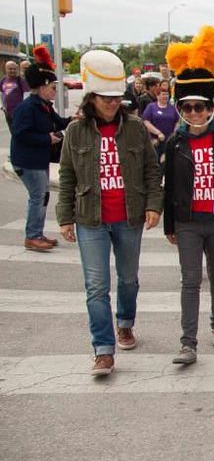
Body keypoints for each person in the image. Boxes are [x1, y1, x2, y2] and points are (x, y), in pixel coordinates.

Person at [57, 50, 163, 377]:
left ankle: (125, 323)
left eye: (117, 98)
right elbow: (66, 175)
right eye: (106, 98)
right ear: (91, 97)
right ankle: (103, 349)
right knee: (96, 285)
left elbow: (150, 169)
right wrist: (64, 216)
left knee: (128, 279)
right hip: (91, 218)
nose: (113, 103)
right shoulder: (75, 132)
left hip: (129, 217)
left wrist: (153, 205)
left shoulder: (133, 128)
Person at [162, 26, 214, 365]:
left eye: (201, 106)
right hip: (188, 221)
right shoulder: (175, 141)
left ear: (211, 106)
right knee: (190, 280)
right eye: (188, 106)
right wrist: (170, 225)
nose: (194, 112)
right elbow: (170, 186)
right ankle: (188, 343)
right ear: (181, 107)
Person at [11, 46, 70, 251]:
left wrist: (75, 119)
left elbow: (60, 122)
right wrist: (47, 139)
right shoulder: (27, 107)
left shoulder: (44, 106)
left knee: (41, 196)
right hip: (28, 161)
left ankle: (37, 233)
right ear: (42, 86)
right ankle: (32, 236)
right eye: (52, 87)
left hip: (39, 159)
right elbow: (21, 133)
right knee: (38, 197)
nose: (54, 90)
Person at [141, 77, 179, 159]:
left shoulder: (172, 108)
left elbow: (177, 121)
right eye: (163, 95)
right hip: (155, 141)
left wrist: (174, 134)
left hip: (169, 141)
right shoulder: (151, 107)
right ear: (157, 96)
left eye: (167, 95)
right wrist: (158, 133)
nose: (165, 97)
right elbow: (146, 122)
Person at [2, 59, 31, 129]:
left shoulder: (20, 80)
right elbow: (2, 93)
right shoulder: (3, 80)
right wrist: (3, 106)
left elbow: (27, 95)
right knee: (13, 132)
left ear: (17, 69)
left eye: (14, 69)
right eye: (10, 69)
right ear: (6, 69)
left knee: (19, 133)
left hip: (19, 113)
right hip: (8, 113)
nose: (13, 70)